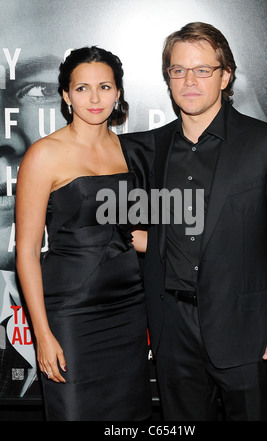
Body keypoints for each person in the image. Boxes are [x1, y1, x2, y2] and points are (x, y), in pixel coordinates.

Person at [142, 22, 267, 421]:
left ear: (225, 75)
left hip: (250, 335)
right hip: (173, 334)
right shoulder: (150, 148)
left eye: (202, 70)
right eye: (178, 70)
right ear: (168, 78)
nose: (189, 80)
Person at [15, 46, 152, 421]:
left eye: (105, 87)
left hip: (129, 307)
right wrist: (42, 333)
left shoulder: (132, 152)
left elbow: (133, 233)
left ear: (118, 93)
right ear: (65, 95)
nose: (94, 98)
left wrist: (201, 249)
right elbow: (26, 251)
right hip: (72, 312)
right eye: (82, 88)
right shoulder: (44, 155)